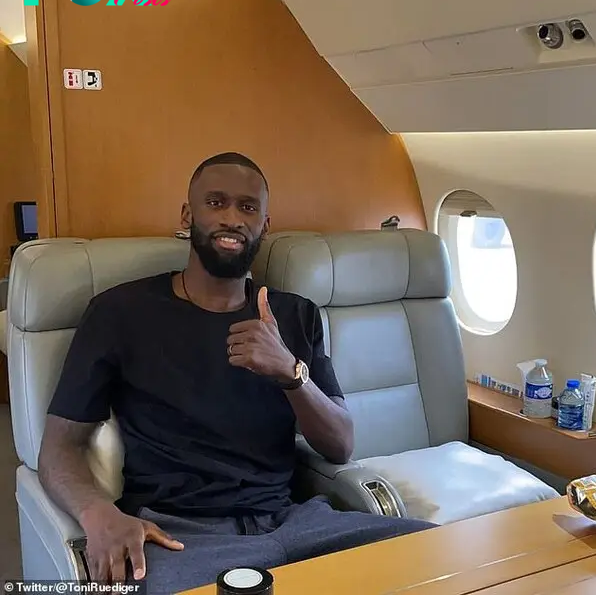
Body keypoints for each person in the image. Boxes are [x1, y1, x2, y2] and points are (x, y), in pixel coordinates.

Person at [38, 152, 436, 593]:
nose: (232, 218)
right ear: (188, 215)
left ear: (265, 225)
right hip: (182, 537)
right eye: (216, 203)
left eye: (248, 207)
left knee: (437, 560)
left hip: (296, 522)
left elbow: (340, 445)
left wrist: (289, 372)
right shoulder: (120, 313)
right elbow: (59, 449)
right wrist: (98, 514)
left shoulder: (295, 314)